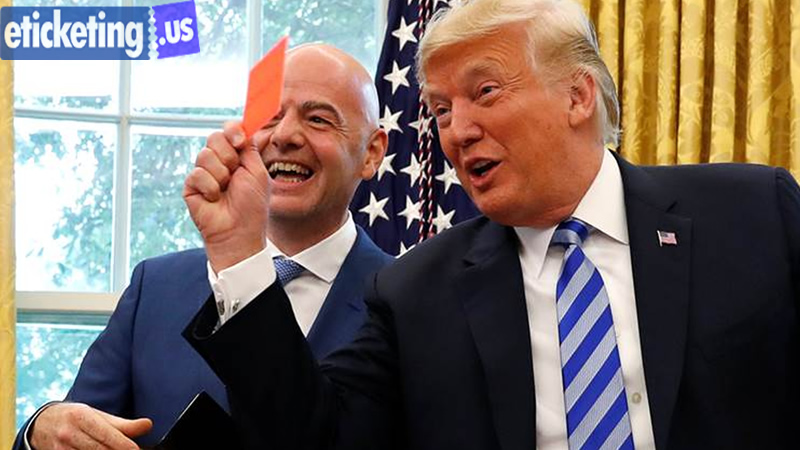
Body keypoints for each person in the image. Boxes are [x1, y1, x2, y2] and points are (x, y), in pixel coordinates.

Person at [184, 0, 800, 449]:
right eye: (441, 110)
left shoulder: (755, 215)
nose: (457, 130)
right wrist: (239, 253)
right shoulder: (415, 292)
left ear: (578, 95)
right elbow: (313, 438)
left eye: (484, 92)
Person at [14, 43, 392, 450]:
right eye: (270, 117)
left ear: (371, 153)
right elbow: (77, 430)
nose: (284, 136)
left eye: (318, 119)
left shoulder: (404, 302)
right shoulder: (155, 289)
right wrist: (40, 431)